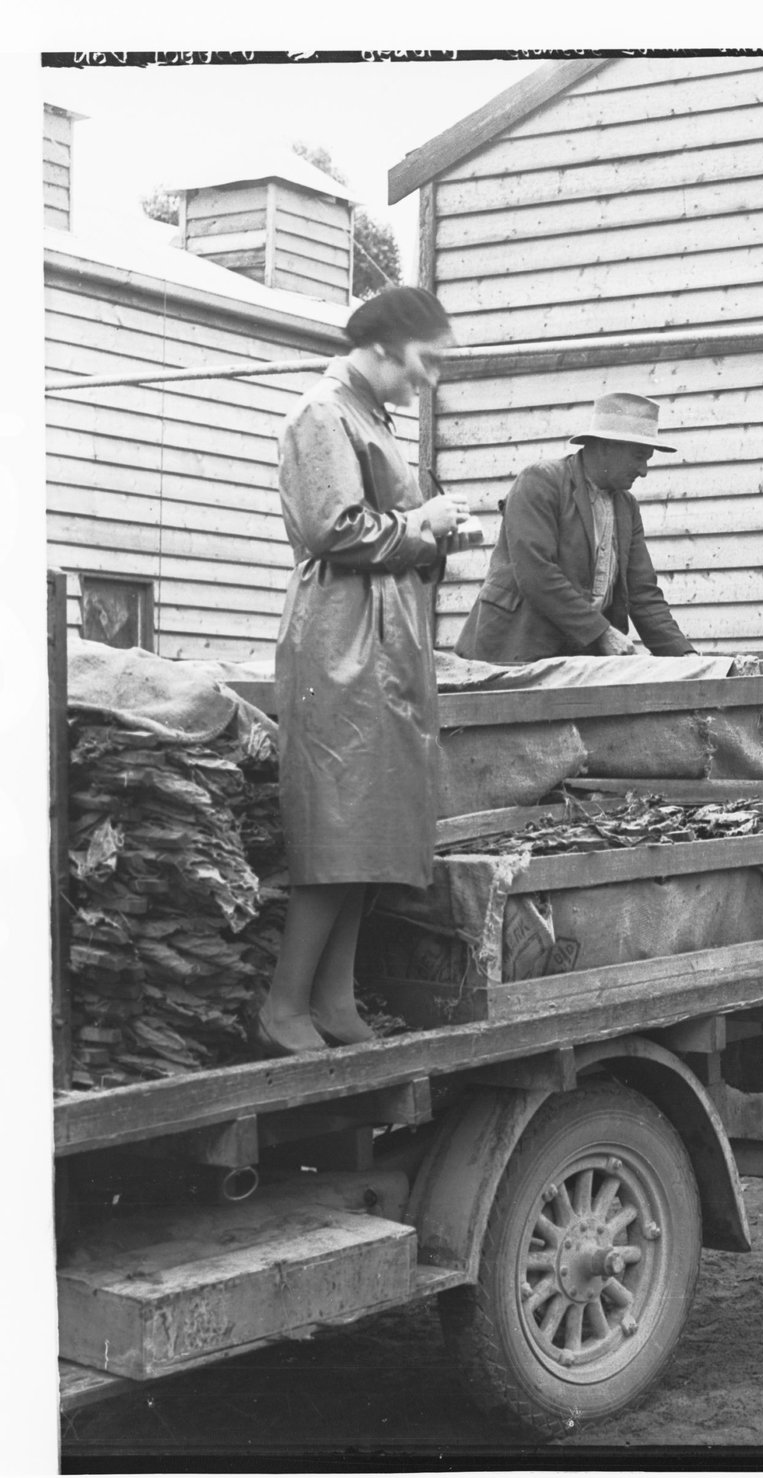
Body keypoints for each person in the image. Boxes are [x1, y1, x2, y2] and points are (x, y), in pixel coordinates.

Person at [258, 286, 469, 1056]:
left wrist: (438, 535)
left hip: (383, 641)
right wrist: (423, 526)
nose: (429, 380)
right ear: (383, 346)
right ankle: (284, 1005)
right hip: (340, 640)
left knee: (371, 824)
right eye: (426, 361)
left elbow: (384, 532)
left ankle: (334, 999)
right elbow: (333, 527)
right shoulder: (323, 412)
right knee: (337, 822)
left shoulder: (370, 416)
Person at [455, 392, 697, 662]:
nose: (644, 470)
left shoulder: (627, 507)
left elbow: (643, 595)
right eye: (639, 457)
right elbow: (537, 574)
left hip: (578, 659)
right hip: (511, 654)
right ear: (606, 446)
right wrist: (602, 633)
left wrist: (687, 656)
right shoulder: (540, 482)